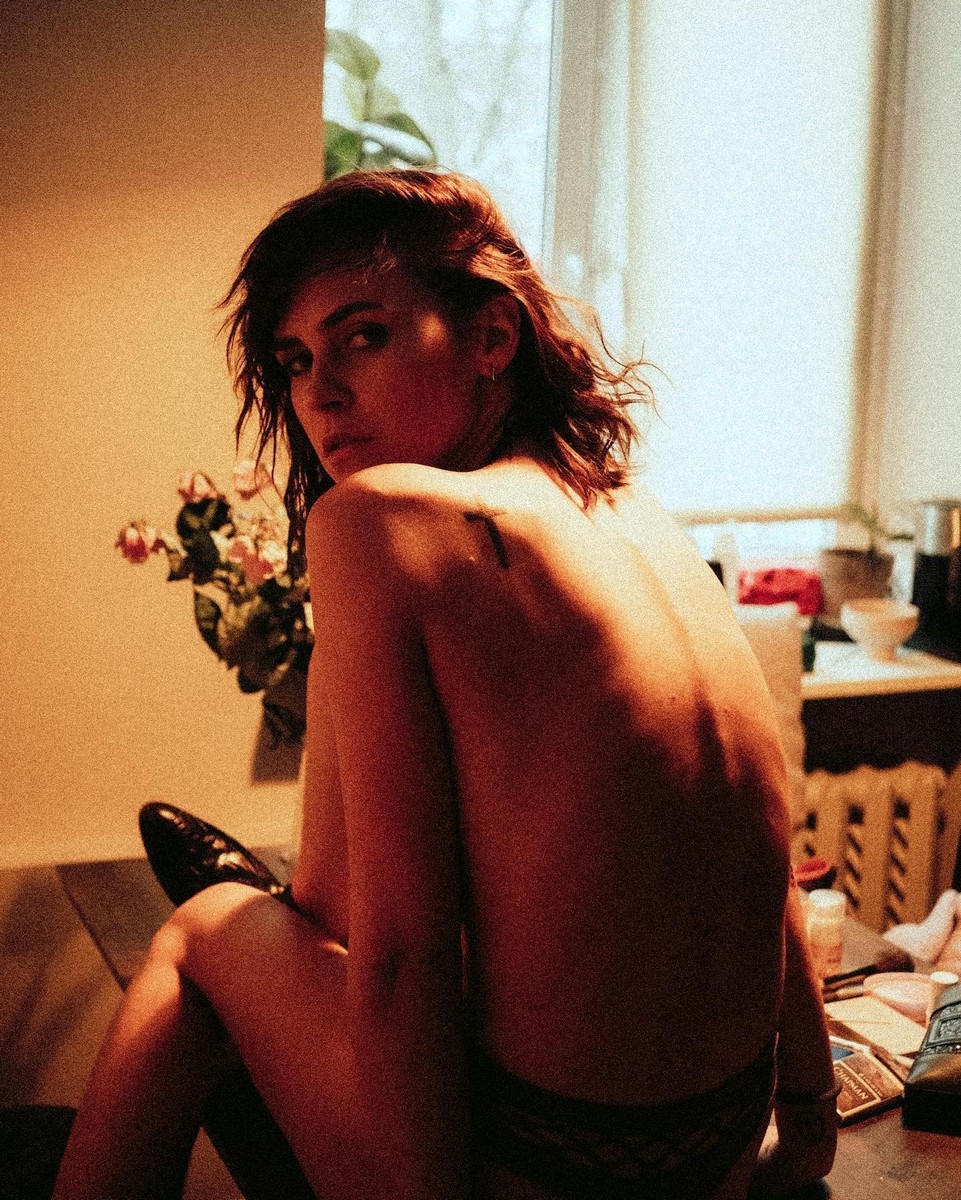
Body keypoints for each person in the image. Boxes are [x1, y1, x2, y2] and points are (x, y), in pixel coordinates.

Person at [53, 169, 836, 1199]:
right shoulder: (638, 517)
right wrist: (807, 1119)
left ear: (492, 337)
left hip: (548, 1170)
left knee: (205, 929)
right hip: (720, 1150)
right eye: (296, 360)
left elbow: (395, 953)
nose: (319, 393)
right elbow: (767, 868)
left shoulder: (377, 520)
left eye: (363, 337)